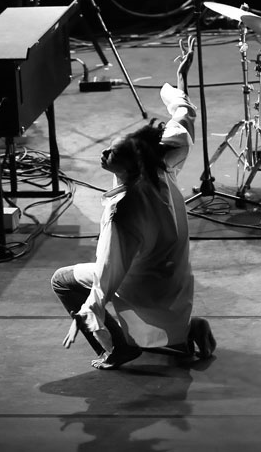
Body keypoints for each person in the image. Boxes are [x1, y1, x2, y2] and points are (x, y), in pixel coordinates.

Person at [52, 36, 216, 370]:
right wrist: (180, 80)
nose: (103, 155)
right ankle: (183, 335)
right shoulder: (160, 165)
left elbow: (110, 272)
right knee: (117, 285)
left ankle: (120, 349)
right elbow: (182, 120)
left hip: (145, 284)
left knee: (62, 279)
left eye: (110, 154)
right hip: (174, 279)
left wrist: (89, 313)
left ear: (128, 167)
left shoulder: (124, 211)